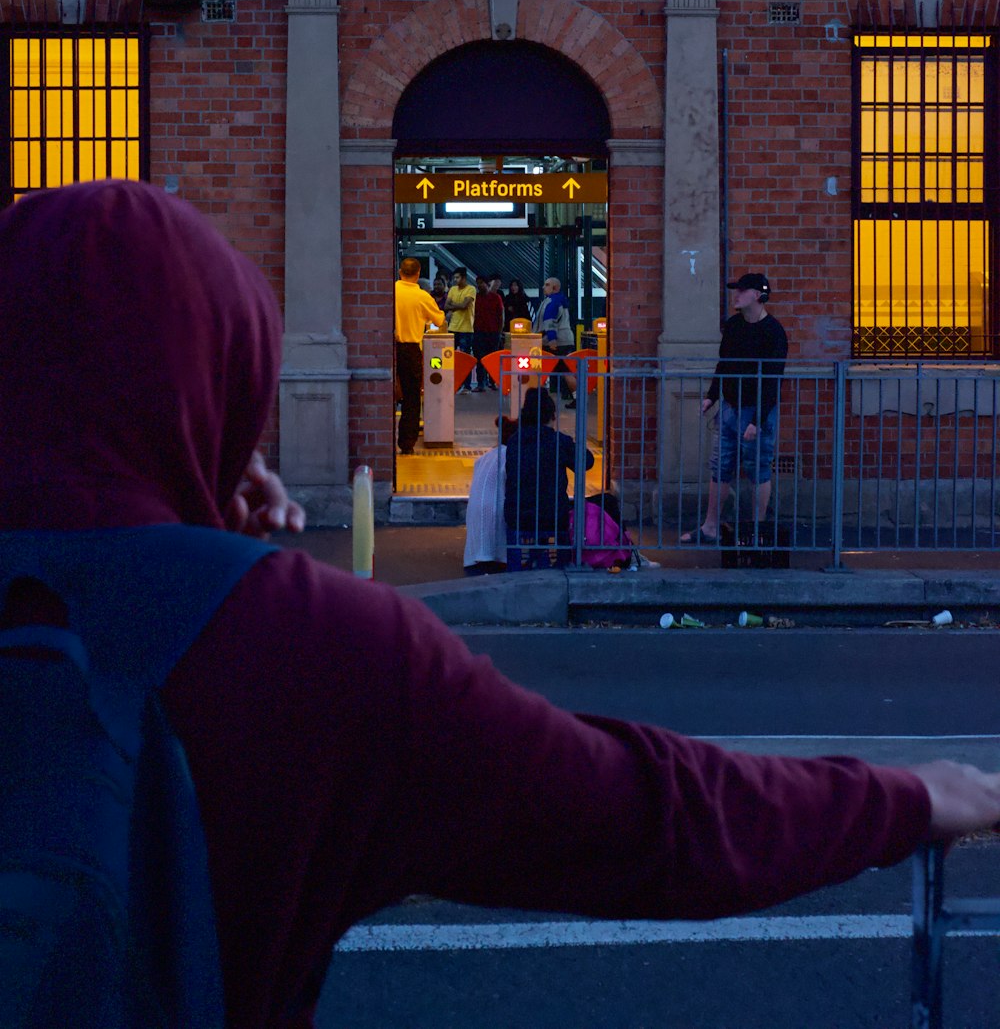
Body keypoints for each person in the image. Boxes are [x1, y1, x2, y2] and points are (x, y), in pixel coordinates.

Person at [4, 182, 1000, 1029]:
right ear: (227, 371)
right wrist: (902, 796)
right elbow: (643, 816)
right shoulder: (307, 649)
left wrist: (179, 498)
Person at [685, 271, 789, 544]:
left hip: (754, 410)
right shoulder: (733, 325)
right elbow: (725, 364)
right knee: (720, 466)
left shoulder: (773, 332)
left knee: (758, 468)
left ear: (757, 295)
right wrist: (712, 396)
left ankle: (757, 529)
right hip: (730, 408)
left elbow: (772, 380)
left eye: (742, 291)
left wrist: (757, 420)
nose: (736, 295)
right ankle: (710, 526)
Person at [504, 387, 594, 570]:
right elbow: (587, 462)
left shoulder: (514, 441)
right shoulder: (558, 441)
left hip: (518, 514)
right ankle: (556, 564)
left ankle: (532, 561)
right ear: (551, 416)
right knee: (554, 514)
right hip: (553, 514)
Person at [394, 257, 446, 455]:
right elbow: (439, 319)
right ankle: (406, 443)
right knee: (411, 397)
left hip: (388, 347)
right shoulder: (423, 296)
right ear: (417, 274)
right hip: (410, 350)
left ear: (400, 272)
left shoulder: (391, 291)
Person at [463, 415, 517, 576]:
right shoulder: (510, 456)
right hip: (493, 516)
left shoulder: (487, 456)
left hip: (474, 528)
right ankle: (498, 557)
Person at [535, 274, 577, 404]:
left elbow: (550, 322)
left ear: (555, 287)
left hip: (555, 341)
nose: (543, 287)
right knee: (566, 370)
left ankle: (536, 399)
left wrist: (552, 339)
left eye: (547, 285)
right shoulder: (561, 300)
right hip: (565, 339)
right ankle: (577, 397)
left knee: (539, 368)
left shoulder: (552, 302)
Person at [444, 266, 477, 391]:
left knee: (465, 359)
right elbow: (446, 306)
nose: (455, 280)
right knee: (449, 357)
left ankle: (466, 385)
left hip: (466, 329)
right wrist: (456, 305)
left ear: (464, 278)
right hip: (453, 327)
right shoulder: (452, 289)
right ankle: (453, 383)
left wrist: (453, 305)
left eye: (457, 277)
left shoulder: (471, 289)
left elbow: (464, 306)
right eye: (454, 278)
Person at [471, 275, 504, 392]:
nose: (480, 285)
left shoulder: (496, 298)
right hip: (478, 332)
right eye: (478, 283)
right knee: (479, 358)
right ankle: (481, 383)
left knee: (492, 359)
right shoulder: (475, 298)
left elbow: (500, 315)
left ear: (487, 284)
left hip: (493, 332)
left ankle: (492, 382)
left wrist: (499, 332)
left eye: (482, 283)